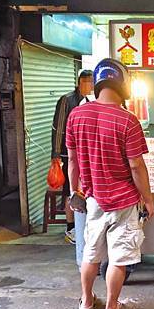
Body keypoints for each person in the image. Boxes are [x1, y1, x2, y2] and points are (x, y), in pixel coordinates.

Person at [66, 58, 154, 309]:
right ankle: (112, 306)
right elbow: (136, 166)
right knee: (119, 258)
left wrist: (76, 192)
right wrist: (148, 200)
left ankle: (86, 301)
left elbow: (72, 160)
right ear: (123, 85)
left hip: (92, 200)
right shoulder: (128, 120)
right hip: (124, 202)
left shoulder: (77, 115)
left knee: (90, 255)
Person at [51, 69, 94, 245]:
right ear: (80, 82)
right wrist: (56, 155)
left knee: (83, 189)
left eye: (93, 82)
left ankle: (82, 225)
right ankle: (70, 228)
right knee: (70, 190)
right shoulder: (67, 100)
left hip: (85, 154)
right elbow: (59, 127)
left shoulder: (91, 100)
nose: (91, 85)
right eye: (88, 82)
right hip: (66, 153)